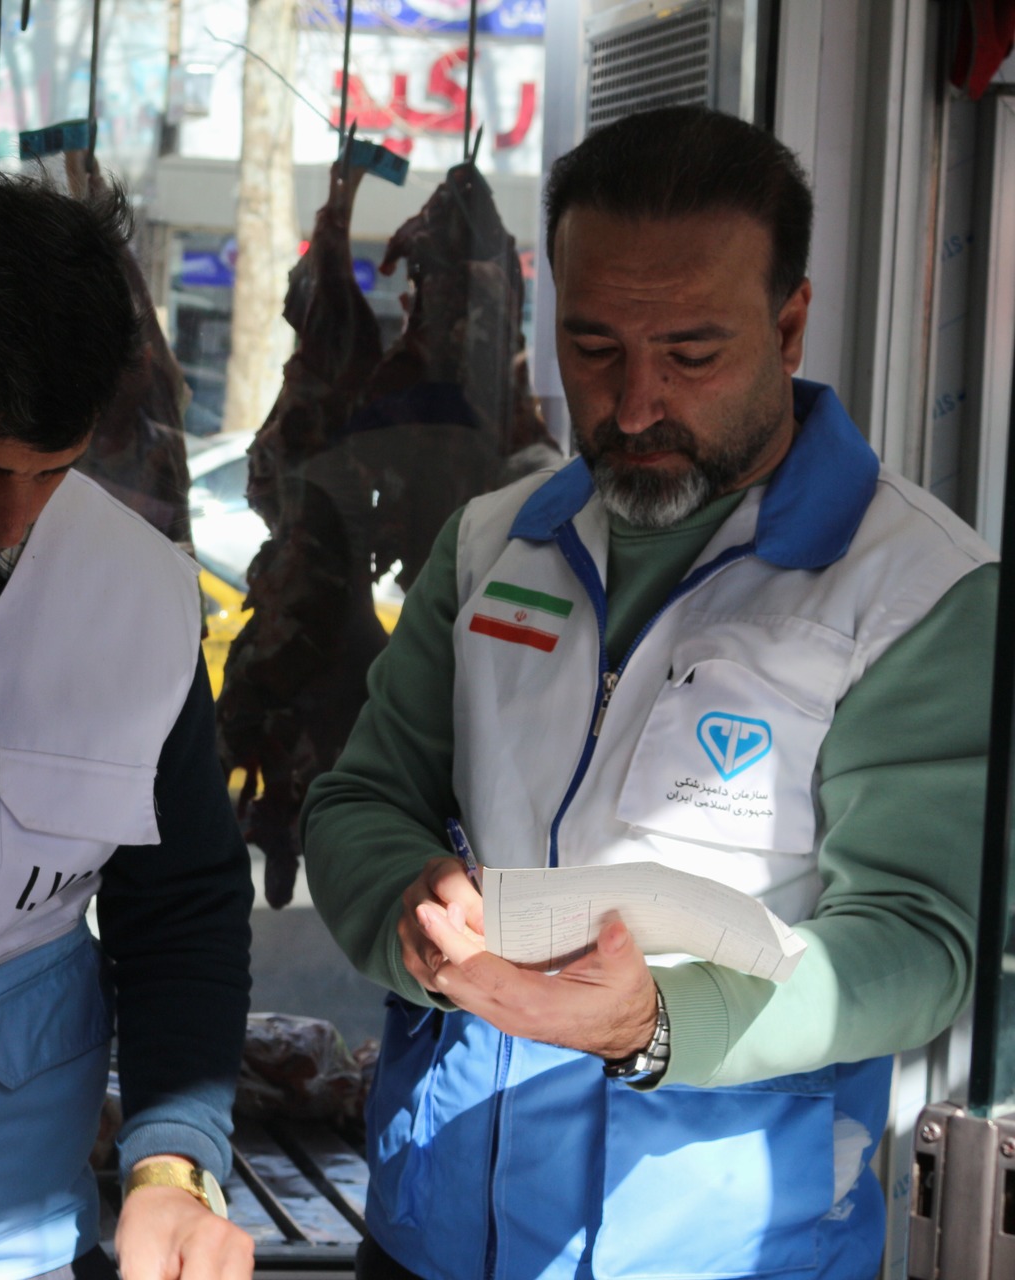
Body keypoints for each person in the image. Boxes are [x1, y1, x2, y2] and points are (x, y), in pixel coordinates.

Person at [302, 106, 999, 1280]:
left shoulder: (915, 592)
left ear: (789, 325)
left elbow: (918, 944)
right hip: (431, 1230)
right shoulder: (492, 545)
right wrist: (410, 907)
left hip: (722, 1251)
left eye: (690, 355)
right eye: (593, 348)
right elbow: (359, 801)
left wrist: (658, 1023)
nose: (632, 406)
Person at [0, 164, 256, 1280]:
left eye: (52, 471)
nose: (7, 516)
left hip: (11, 1225)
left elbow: (181, 906)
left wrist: (172, 1163)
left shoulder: (141, 597)